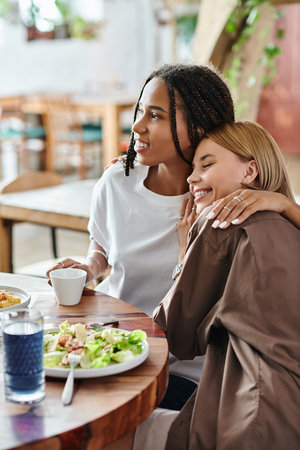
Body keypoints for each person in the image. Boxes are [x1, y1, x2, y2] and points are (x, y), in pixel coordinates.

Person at [46, 64, 300, 410]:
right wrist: (90, 266)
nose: (137, 126)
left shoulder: (223, 200)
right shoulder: (117, 181)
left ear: (197, 128)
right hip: (113, 340)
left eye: (156, 116)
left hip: (182, 365)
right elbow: (103, 245)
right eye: (140, 111)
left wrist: (282, 203)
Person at [148, 121, 300, 450]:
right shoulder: (288, 226)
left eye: (208, 164)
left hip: (250, 420)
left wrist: (183, 255)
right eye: (193, 167)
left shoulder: (221, 220)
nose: (191, 178)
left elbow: (173, 335)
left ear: (250, 172)